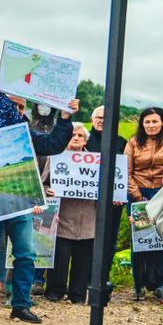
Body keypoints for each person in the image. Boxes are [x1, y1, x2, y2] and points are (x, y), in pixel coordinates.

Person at [0, 75, 77, 325]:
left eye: (21, 107)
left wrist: (65, 118)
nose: (17, 111)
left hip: (21, 198)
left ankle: (20, 305)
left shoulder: (25, 132)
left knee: (25, 254)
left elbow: (53, 144)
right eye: (12, 105)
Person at [125, 107, 163, 303]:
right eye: (147, 122)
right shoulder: (133, 143)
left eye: (155, 122)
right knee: (140, 242)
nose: (151, 126)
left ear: (162, 122)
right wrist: (137, 196)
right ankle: (138, 285)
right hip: (139, 195)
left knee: (161, 241)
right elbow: (127, 172)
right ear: (142, 124)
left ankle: (161, 285)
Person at [42, 124, 94, 304]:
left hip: (87, 217)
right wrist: (48, 191)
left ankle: (77, 295)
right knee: (60, 258)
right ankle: (55, 291)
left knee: (83, 259)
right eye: (73, 134)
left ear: (86, 140)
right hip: (63, 216)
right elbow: (44, 183)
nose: (77, 138)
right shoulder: (56, 158)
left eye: (80, 135)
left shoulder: (96, 161)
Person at [86, 105, 128, 298]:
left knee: (109, 241)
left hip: (113, 203)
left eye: (106, 117)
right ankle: (85, 280)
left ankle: (102, 279)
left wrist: (120, 194)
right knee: (87, 241)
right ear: (92, 119)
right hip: (87, 203)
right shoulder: (83, 139)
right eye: (98, 117)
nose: (102, 120)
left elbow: (126, 171)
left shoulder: (121, 143)